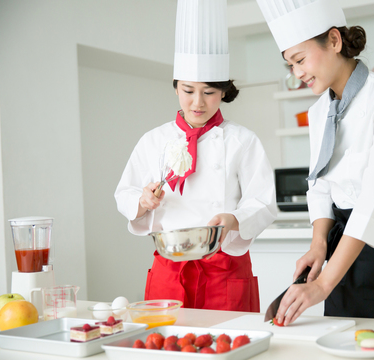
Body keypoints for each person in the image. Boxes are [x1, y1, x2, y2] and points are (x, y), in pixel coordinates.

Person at [256, 0, 374, 324]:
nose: (297, 74)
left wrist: (324, 284)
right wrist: (318, 245)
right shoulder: (317, 113)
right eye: (290, 66)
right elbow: (320, 185)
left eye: (299, 60)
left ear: (335, 41)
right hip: (342, 258)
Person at [115, 0, 276, 312]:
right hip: (169, 269)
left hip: (225, 267)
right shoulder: (154, 140)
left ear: (224, 92)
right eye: (188, 90)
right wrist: (143, 201)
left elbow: (264, 201)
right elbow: (125, 193)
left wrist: (234, 219)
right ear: (176, 88)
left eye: (209, 92)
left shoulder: (243, 140)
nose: (198, 102)